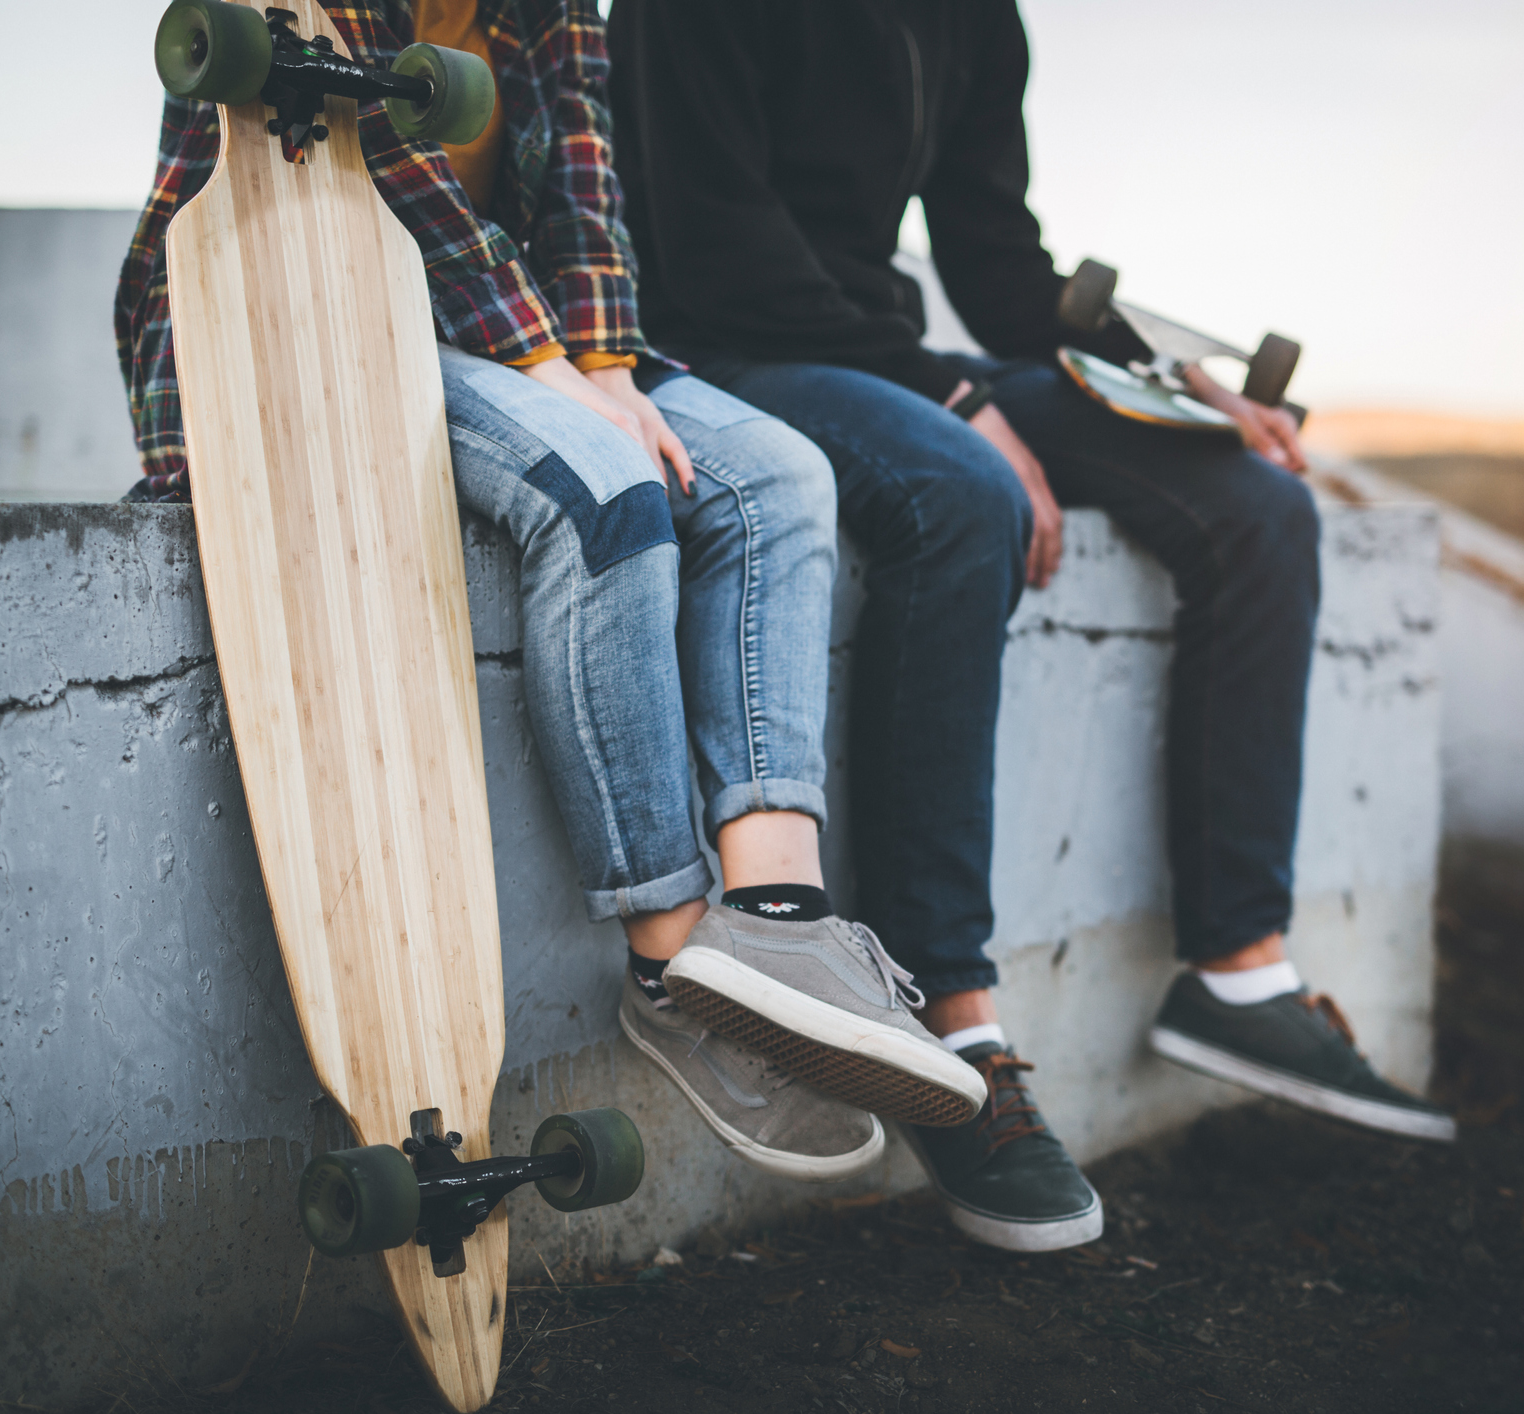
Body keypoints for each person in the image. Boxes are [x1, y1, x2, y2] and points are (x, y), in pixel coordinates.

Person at [606, 0, 1455, 1251]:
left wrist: (1162, 370)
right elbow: (716, 250)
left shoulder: (973, 20)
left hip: (881, 350)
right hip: (720, 351)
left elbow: (998, 261)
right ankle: (956, 1031)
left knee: (1255, 503)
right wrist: (953, 400)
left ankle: (1239, 967)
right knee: (961, 492)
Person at [114, 0, 985, 1185]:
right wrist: (546, 364)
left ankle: (778, 932)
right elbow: (386, 167)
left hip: (526, 337)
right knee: (609, 495)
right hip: (313, 309)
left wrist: (606, 362)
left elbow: (586, 192)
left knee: (777, 478)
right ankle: (671, 967)